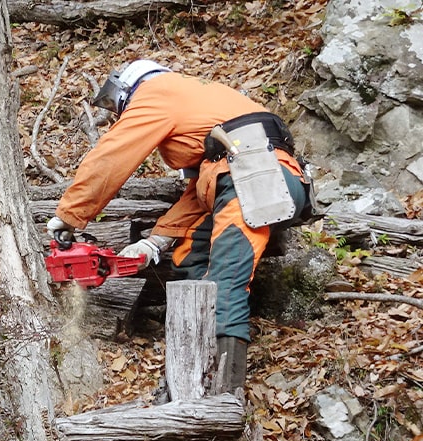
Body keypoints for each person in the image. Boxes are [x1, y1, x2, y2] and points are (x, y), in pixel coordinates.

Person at [46, 59, 312, 392]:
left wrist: (70, 214)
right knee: (190, 259)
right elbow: (202, 192)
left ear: (129, 89)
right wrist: (154, 242)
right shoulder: (200, 99)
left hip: (255, 179)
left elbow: (113, 156)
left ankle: (222, 393)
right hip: (253, 177)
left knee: (224, 283)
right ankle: (189, 373)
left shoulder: (157, 93)